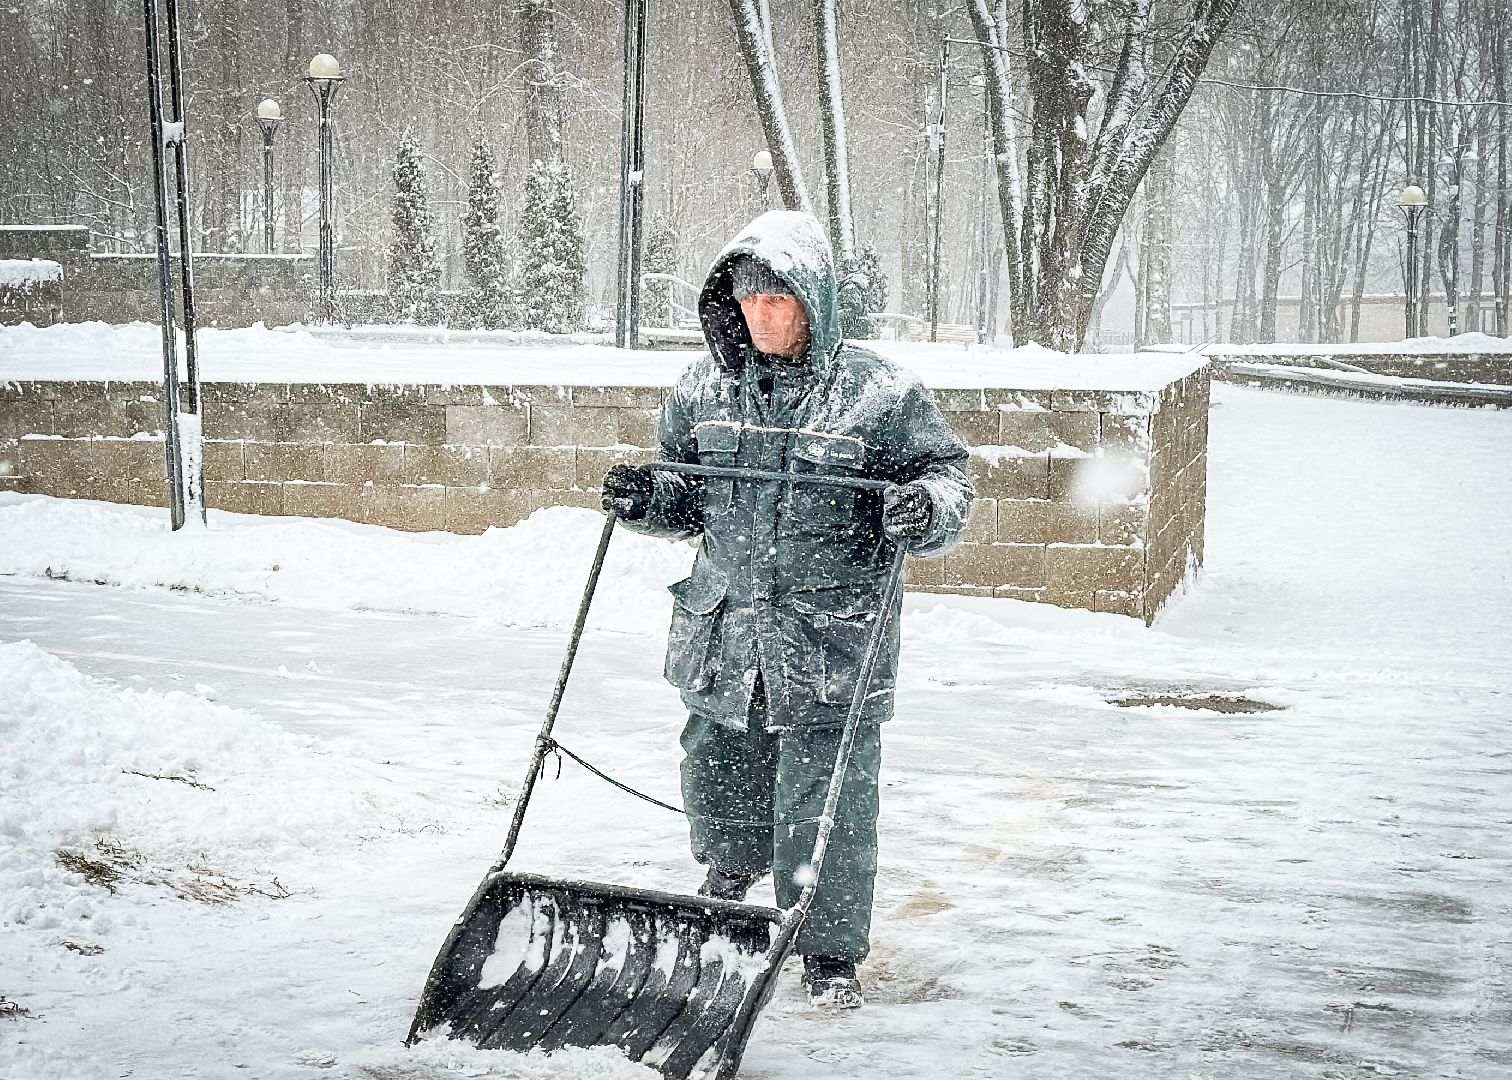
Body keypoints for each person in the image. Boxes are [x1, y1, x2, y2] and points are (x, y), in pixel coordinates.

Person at [601, 211, 973, 1009]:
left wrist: (922, 509)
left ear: (814, 299)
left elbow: (948, 479)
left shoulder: (880, 393)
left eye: (778, 299)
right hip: (727, 631)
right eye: (747, 300)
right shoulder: (702, 389)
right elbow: (684, 492)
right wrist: (646, 497)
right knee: (717, 772)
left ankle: (828, 952)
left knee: (825, 801)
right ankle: (727, 884)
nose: (761, 315)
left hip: (829, 640)